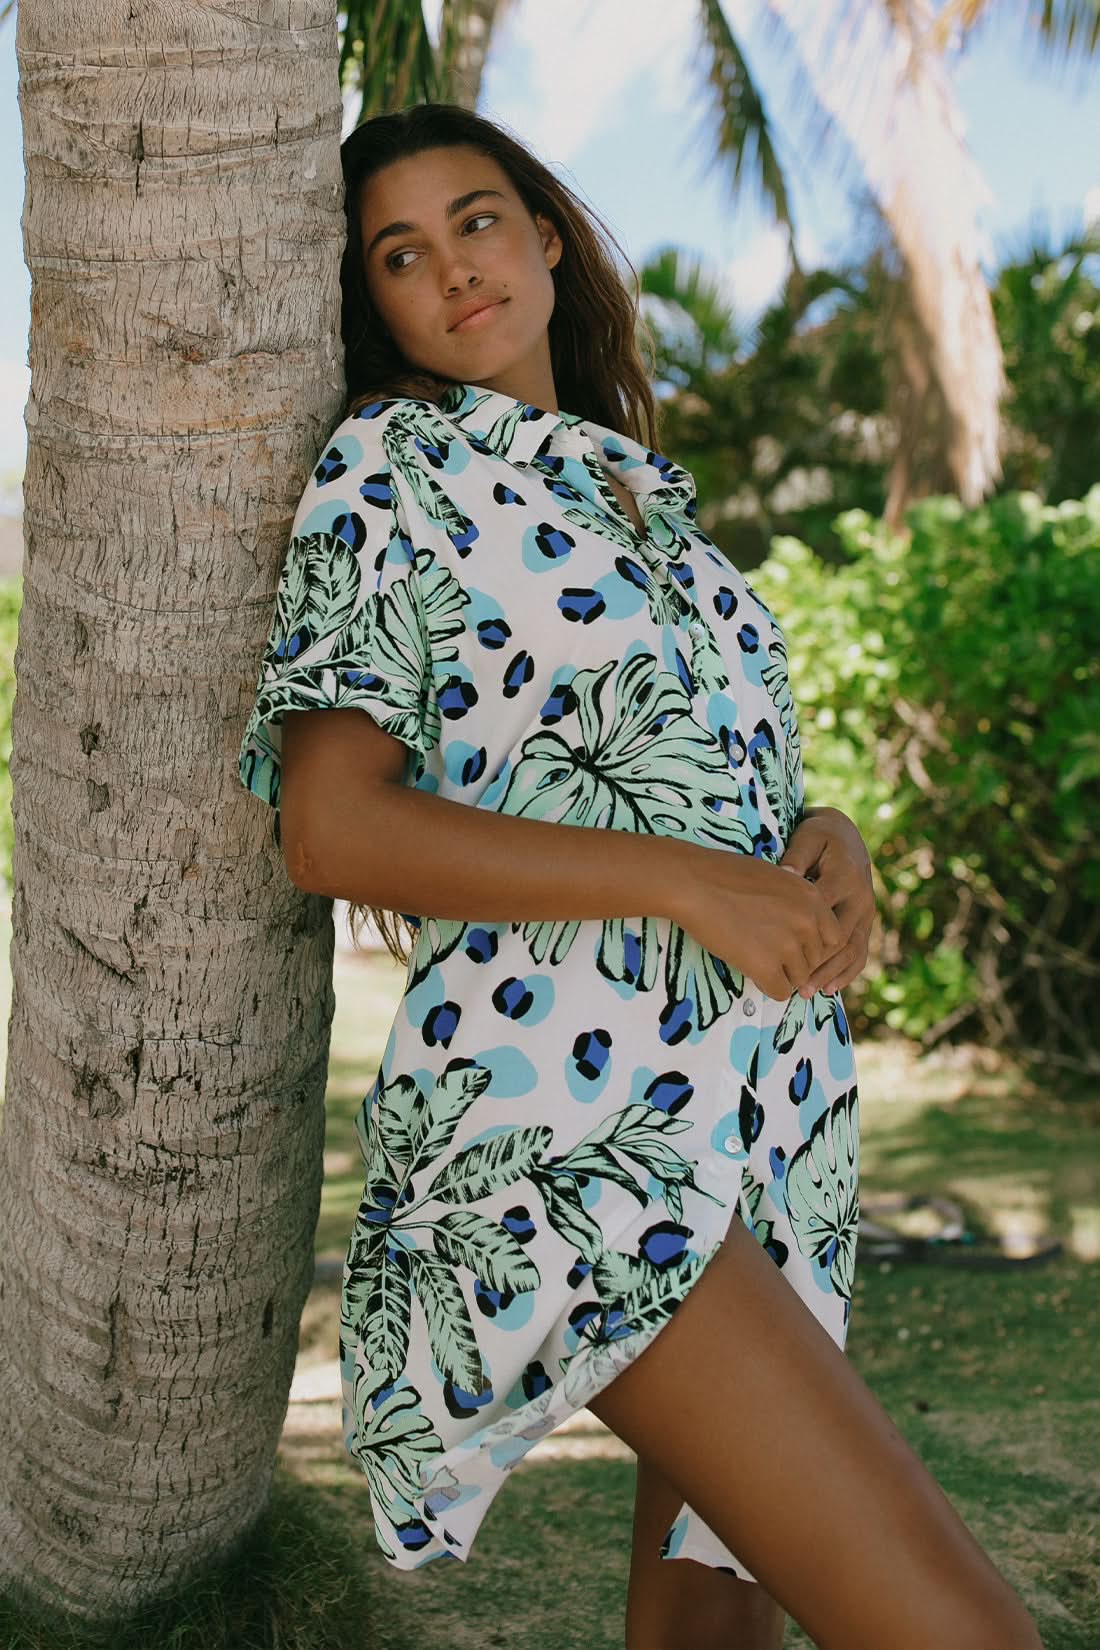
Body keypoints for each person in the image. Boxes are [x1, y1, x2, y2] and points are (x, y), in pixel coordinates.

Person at [236, 103, 1043, 1650]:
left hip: (763, 1122)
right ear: (375, 303)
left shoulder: (653, 511)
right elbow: (331, 825)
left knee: (710, 1641)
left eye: (477, 221)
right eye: (399, 255)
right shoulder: (390, 471)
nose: (452, 269)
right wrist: (683, 881)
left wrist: (828, 844)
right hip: (575, 1135)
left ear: (544, 237)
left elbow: (709, 780)